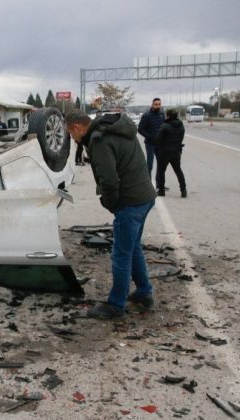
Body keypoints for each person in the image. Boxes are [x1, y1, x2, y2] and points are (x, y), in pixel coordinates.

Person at [65, 110, 158, 319]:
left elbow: (109, 180)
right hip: (145, 196)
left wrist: (111, 204)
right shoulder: (118, 128)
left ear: (77, 127)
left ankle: (116, 306)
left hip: (131, 202)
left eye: (71, 134)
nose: (73, 138)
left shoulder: (100, 140)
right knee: (133, 248)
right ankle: (144, 293)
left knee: (121, 254)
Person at [154, 109, 187, 197]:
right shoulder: (181, 125)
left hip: (165, 152)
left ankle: (161, 191)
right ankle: (183, 190)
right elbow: (181, 137)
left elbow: (158, 139)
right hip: (176, 151)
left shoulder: (164, 126)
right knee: (178, 170)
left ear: (168, 116)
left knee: (161, 171)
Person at [138, 98, 165, 177]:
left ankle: (159, 184)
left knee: (161, 164)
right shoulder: (146, 115)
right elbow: (140, 129)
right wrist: (150, 137)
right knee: (150, 164)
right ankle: (148, 183)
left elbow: (164, 127)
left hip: (160, 144)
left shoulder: (162, 114)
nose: (157, 106)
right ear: (152, 105)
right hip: (150, 144)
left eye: (159, 104)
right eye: (156, 104)